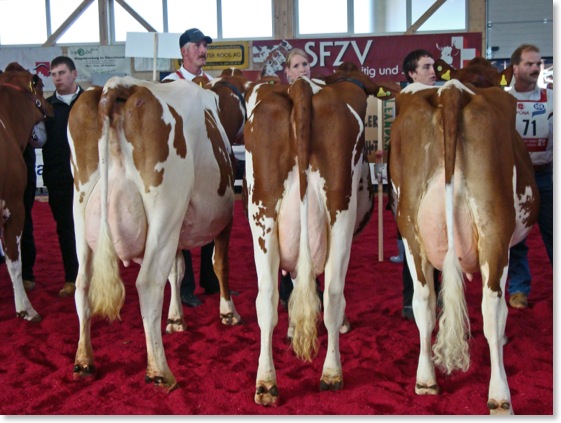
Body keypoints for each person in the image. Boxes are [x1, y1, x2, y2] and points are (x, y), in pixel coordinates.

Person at [162, 28, 219, 307]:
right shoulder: (169, 84)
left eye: (204, 45)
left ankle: (211, 280)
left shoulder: (213, 83)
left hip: (208, 165)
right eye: (197, 45)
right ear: (184, 51)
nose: (202, 50)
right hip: (179, 164)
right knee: (179, 224)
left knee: (213, 218)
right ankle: (185, 287)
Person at [506, 44, 553, 310]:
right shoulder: (503, 101)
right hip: (514, 177)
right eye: (529, 64)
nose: (535, 68)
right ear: (515, 68)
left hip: (545, 174)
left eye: (539, 64)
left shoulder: (552, 97)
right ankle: (519, 288)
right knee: (516, 237)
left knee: (553, 233)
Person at [398, 49, 439, 321]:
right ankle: (412, 300)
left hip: (436, 182)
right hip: (411, 186)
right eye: (425, 67)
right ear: (412, 74)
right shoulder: (406, 100)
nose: (433, 71)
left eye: (433, 66)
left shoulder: (442, 98)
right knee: (412, 249)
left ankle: (440, 300)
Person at [42, 56, 82, 297]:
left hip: (89, 179)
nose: (57, 78)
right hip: (58, 179)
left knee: (94, 229)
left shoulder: (91, 102)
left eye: (62, 73)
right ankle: (72, 277)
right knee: (66, 228)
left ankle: (96, 276)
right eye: (54, 74)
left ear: (74, 74)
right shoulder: (45, 108)